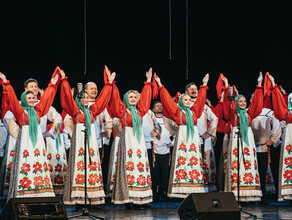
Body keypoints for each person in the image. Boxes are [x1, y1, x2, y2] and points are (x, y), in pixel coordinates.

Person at [0, 71, 59, 199]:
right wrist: (6, 82)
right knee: (25, 163)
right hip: (25, 141)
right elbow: (11, 98)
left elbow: (46, 101)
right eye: (29, 98)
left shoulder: (38, 110)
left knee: (38, 163)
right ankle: (24, 194)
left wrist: (52, 85)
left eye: (33, 97)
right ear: (23, 99)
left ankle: (40, 193)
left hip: (37, 143)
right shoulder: (19, 110)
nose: (32, 99)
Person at [60, 69, 115, 206]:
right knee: (79, 167)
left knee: (91, 167)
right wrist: (64, 81)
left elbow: (103, 100)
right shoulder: (74, 110)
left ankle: (92, 199)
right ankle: (78, 200)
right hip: (79, 141)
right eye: (82, 97)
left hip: (91, 142)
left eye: (86, 97)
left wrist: (109, 84)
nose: (85, 99)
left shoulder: (93, 110)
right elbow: (66, 100)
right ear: (79, 99)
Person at [154, 73, 209, 198]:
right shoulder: (177, 111)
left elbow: (200, 101)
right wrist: (160, 85)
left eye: (189, 100)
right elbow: (167, 100)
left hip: (193, 139)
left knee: (193, 160)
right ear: (180, 101)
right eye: (185, 100)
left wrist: (204, 86)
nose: (188, 102)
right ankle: (180, 189)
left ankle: (194, 187)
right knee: (183, 161)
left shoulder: (195, 111)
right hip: (183, 137)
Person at [108, 67, 153, 207]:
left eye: (134, 97)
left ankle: (142, 198)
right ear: (126, 99)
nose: (133, 99)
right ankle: (128, 199)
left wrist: (148, 82)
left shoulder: (140, 111)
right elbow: (114, 100)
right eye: (130, 97)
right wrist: (112, 84)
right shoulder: (122, 110)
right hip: (127, 141)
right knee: (128, 167)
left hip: (139, 142)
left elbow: (145, 100)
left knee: (140, 167)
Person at [222, 73, 263, 201]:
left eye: (244, 101)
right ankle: (236, 194)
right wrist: (227, 85)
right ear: (236, 102)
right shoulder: (233, 113)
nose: (243, 103)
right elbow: (229, 101)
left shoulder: (249, 113)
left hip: (248, 141)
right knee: (237, 164)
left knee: (248, 163)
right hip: (236, 139)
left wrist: (259, 84)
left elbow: (256, 102)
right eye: (240, 101)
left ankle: (250, 194)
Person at [185, 82, 218, 192]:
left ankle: (204, 188)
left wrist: (209, 132)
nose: (194, 91)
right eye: (191, 89)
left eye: (195, 89)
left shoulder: (204, 106)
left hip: (202, 139)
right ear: (186, 92)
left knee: (204, 162)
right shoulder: (184, 106)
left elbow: (215, 118)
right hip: (188, 139)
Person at [268, 74, 292, 201]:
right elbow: (279, 103)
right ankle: (289, 193)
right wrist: (274, 84)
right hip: (290, 138)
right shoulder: (287, 113)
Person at [150, 100, 177, 201]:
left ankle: (163, 191)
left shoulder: (168, 120)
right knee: (154, 172)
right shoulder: (151, 120)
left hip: (166, 149)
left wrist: (173, 143)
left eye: (161, 106)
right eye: (157, 106)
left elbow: (177, 131)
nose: (159, 108)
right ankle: (154, 192)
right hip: (154, 150)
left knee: (165, 172)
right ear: (153, 109)